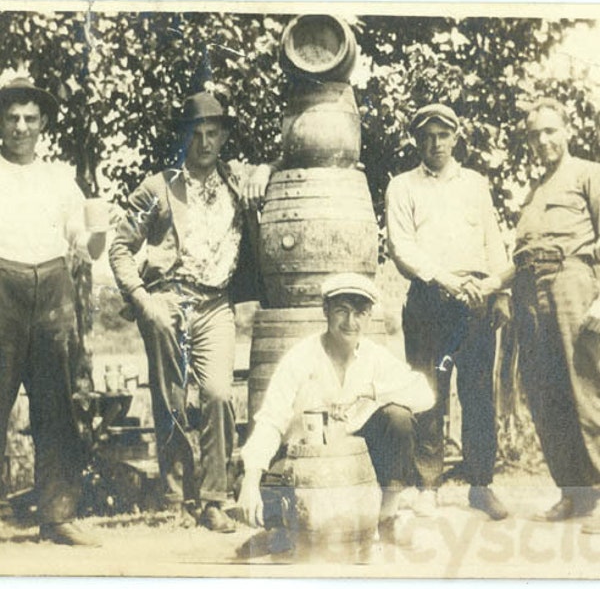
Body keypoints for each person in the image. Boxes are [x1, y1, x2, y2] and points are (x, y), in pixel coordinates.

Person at [110, 91, 275, 533]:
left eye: (212, 134)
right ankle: (176, 498)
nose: (204, 142)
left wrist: (263, 170)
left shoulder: (239, 183)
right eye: (196, 133)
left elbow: (282, 165)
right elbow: (119, 248)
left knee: (219, 393)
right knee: (172, 400)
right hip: (166, 300)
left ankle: (214, 499)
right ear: (184, 136)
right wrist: (143, 301)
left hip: (216, 303)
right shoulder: (157, 187)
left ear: (223, 137)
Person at [237, 273, 434, 545]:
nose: (350, 322)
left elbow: (425, 394)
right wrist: (250, 480)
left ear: (368, 317)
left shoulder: (374, 356)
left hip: (358, 465)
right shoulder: (301, 357)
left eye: (360, 313)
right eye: (342, 311)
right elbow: (271, 419)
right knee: (275, 517)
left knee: (398, 418)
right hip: (306, 461)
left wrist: (370, 391)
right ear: (325, 311)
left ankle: (386, 517)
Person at [480, 98, 600, 531]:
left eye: (551, 130)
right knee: (544, 392)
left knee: (584, 388)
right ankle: (573, 493)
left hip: (572, 284)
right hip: (531, 293)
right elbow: (523, 256)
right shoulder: (532, 193)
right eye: (535, 134)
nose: (543, 140)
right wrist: (496, 283)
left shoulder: (588, 173)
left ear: (566, 130)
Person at [385, 104, 510, 520]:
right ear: (417, 140)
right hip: (429, 300)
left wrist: (501, 294)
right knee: (428, 393)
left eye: (442, 135)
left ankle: (481, 484)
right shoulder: (402, 186)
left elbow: (493, 241)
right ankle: (428, 486)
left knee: (477, 393)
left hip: (476, 300)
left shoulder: (475, 184)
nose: (435, 143)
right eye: (426, 136)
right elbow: (402, 249)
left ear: (456, 137)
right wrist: (443, 279)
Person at [0, 77, 107, 546]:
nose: (21, 126)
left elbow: (81, 240)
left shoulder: (61, 177)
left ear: (43, 124)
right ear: (1, 122)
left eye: (30, 118)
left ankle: (57, 514)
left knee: (56, 407)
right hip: (2, 286)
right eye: (12, 117)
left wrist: (98, 235)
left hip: (54, 290)